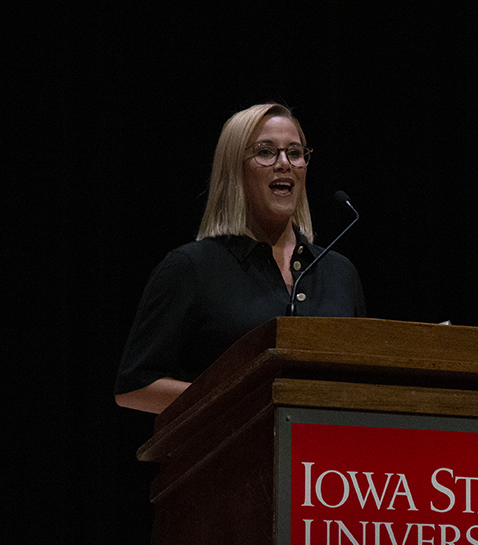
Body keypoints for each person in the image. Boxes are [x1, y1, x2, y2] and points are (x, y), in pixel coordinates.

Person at [115, 102, 365, 413]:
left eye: (295, 152)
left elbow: (358, 383)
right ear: (235, 169)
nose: (284, 163)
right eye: (265, 151)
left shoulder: (339, 272)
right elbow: (135, 386)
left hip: (326, 460)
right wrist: (244, 398)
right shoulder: (192, 268)